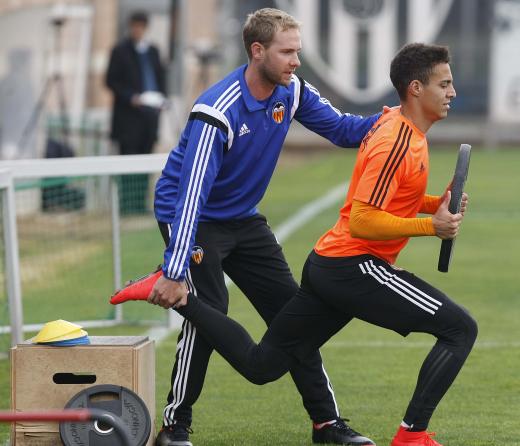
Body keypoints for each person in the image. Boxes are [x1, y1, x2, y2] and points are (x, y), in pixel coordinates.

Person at [114, 43, 478, 446]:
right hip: (337, 261)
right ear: (415, 88)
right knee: (459, 328)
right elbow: (361, 219)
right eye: (444, 84)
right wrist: (432, 226)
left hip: (313, 256)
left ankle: (324, 422)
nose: (452, 92)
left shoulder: (397, 131)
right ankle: (411, 436)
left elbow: (365, 161)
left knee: (261, 365)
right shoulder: (393, 138)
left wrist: (433, 205)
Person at [115, 7, 382, 446]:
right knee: (210, 310)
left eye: (298, 50)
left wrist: (397, 122)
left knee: (293, 314)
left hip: (243, 218)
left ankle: (327, 424)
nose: (296, 61)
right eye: (287, 51)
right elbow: (190, 195)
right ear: (258, 51)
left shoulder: (291, 90)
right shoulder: (216, 111)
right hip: (192, 219)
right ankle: (174, 427)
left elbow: (343, 130)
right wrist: (176, 268)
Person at [106, 10, 166, 214]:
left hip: (149, 117)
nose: (137, 30)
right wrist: (131, 97)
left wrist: (162, 99)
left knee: (146, 160)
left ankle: (140, 204)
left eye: (141, 26)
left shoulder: (153, 51)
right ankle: (127, 206)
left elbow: (161, 78)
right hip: (128, 119)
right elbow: (110, 81)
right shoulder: (120, 51)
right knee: (128, 161)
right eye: (135, 26)